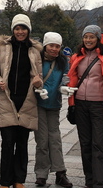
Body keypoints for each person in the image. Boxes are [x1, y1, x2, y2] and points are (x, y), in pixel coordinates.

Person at [0, 14, 44, 188]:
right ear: (13, 30)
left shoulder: (35, 50)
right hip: (6, 99)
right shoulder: (2, 48)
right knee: (7, 143)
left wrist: (38, 82)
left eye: (23, 28)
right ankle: (5, 181)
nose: (20, 32)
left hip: (26, 101)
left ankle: (19, 180)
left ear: (28, 30)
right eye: (17, 28)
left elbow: (39, 76)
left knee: (22, 144)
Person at [66, 25, 103, 188]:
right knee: (85, 143)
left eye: (91, 37)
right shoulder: (76, 56)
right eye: (85, 37)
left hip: (99, 104)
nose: (88, 40)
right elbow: (72, 76)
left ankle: (100, 182)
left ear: (97, 38)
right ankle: (90, 179)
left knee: (98, 143)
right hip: (80, 103)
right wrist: (66, 84)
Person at [34, 32, 72, 188]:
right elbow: (32, 77)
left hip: (54, 104)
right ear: (45, 46)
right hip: (38, 104)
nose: (54, 49)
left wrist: (64, 87)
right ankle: (41, 174)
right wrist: (37, 87)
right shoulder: (37, 60)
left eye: (57, 46)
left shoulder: (63, 62)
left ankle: (60, 172)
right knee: (42, 140)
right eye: (51, 46)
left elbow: (65, 78)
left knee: (55, 139)